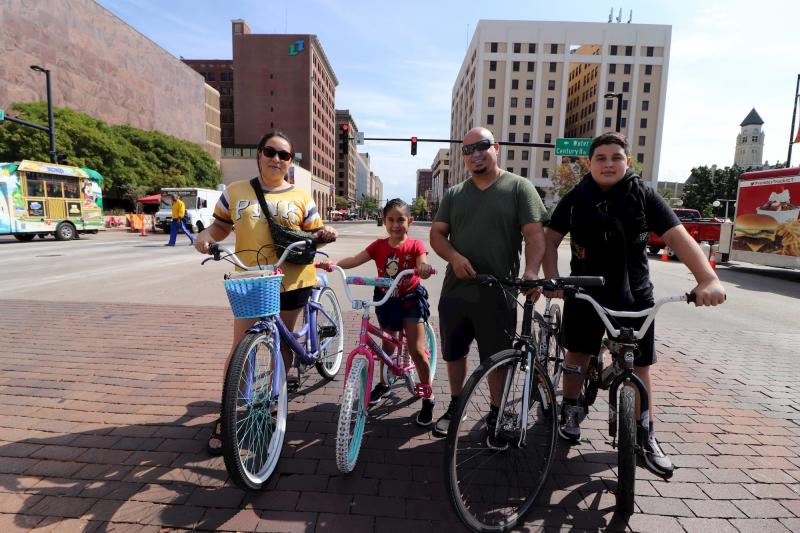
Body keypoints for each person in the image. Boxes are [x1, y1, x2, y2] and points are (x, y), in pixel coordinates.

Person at [542, 132, 726, 478]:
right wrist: (554, 278)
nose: (608, 163)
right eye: (601, 158)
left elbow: (677, 236)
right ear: (590, 163)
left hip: (634, 295)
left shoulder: (644, 195)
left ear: (627, 163)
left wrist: (707, 279)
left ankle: (646, 435)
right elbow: (550, 239)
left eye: (616, 157)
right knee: (577, 354)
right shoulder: (577, 196)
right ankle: (570, 406)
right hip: (585, 292)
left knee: (639, 367)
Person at [194, 131, 337, 455]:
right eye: (270, 152)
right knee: (240, 347)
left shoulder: (301, 196)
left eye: (284, 155)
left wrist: (326, 234)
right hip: (251, 279)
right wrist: (204, 237)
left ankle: (273, 399)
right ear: (259, 154)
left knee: (283, 342)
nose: (276, 159)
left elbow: (316, 231)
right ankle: (228, 412)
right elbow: (219, 228)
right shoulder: (235, 192)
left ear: (290, 162)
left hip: (293, 278)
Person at [429, 126, 548, 446]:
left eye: (481, 146)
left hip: (500, 291)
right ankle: (456, 404)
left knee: (496, 357)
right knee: (454, 353)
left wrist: (532, 272)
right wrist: (453, 257)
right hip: (457, 289)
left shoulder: (519, 188)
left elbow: (535, 235)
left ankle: (497, 412)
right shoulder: (454, 194)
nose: (475, 154)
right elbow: (437, 234)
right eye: (467, 150)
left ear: (496, 147)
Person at [325, 198, 435, 425]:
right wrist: (335, 264)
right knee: (387, 346)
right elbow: (356, 259)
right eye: (391, 220)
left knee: (416, 350)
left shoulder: (415, 246)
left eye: (401, 220)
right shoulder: (378, 245)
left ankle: (428, 395)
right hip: (385, 300)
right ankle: (384, 384)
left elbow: (422, 261)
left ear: (410, 221)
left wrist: (422, 268)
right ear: (384, 222)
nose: (396, 225)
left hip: (410, 300)